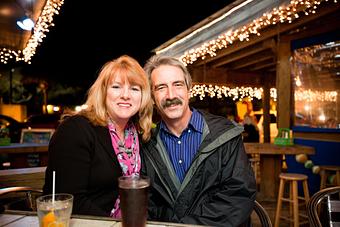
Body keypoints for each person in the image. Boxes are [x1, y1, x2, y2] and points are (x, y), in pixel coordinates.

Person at [141, 55, 257, 227]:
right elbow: (147, 204)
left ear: (189, 89)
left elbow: (238, 195)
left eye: (177, 84)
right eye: (161, 88)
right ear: (152, 97)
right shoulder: (146, 144)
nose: (170, 95)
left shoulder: (225, 134)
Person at [43, 55, 153, 217]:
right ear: (103, 92)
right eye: (116, 87)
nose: (125, 95)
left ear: (143, 97)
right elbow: (70, 201)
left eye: (134, 88)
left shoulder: (137, 135)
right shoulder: (76, 129)